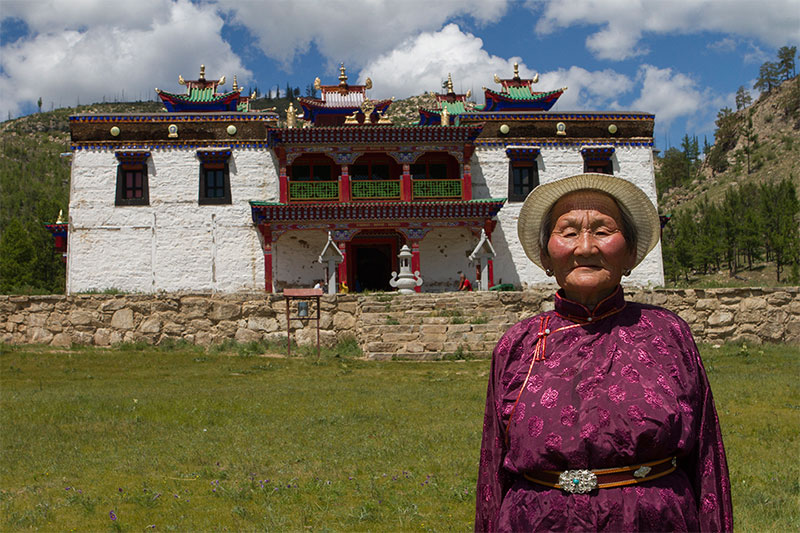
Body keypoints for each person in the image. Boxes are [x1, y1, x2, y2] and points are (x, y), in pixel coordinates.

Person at [475, 173, 732, 532]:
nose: (585, 247)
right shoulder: (518, 345)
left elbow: (707, 460)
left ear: (629, 252)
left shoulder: (668, 334)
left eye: (602, 230)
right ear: (546, 255)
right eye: (568, 232)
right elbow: (492, 469)